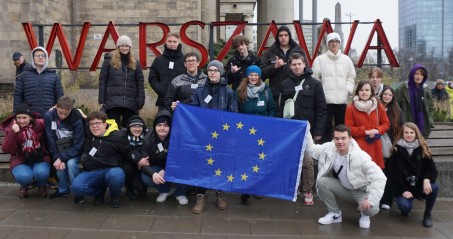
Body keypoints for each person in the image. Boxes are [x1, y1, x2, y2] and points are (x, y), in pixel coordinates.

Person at [305, 124, 386, 229]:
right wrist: (306, 130)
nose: (340, 142)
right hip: (344, 188)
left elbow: (380, 177)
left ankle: (364, 215)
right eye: (337, 138)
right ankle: (335, 213)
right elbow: (312, 150)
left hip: (361, 191)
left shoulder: (360, 156)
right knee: (322, 182)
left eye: (343, 138)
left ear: (350, 138)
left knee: (372, 208)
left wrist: (371, 199)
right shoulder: (330, 148)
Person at [190, 60, 238, 213]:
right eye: (210, 70)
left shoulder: (229, 92)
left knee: (220, 164)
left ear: (221, 73)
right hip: (204, 136)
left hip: (222, 137)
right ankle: (201, 196)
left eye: (215, 70)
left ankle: (220, 193)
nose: (212, 73)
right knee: (202, 165)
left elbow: (233, 115)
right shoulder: (199, 91)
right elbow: (192, 113)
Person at [281, 53, 327, 206]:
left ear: (304, 64)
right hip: (290, 131)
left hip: (307, 129)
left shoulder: (315, 84)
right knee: (291, 160)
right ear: (290, 66)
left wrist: (318, 132)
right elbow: (281, 108)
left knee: (307, 161)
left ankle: (308, 190)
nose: (296, 67)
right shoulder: (285, 84)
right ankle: (294, 188)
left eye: (299, 64)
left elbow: (321, 110)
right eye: (293, 64)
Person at [71, 111, 138, 208]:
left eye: (97, 123)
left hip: (112, 169)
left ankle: (115, 195)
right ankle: (98, 192)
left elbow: (129, 152)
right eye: (91, 124)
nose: (94, 126)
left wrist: (140, 160)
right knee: (76, 188)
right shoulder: (89, 136)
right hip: (94, 170)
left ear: (105, 124)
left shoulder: (118, 136)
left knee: (116, 175)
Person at [235, 65, 275, 204]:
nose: (253, 77)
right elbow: (236, 111)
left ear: (259, 77)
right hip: (245, 131)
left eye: (256, 75)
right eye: (251, 75)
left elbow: (272, 108)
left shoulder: (265, 91)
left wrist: (268, 123)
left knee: (259, 160)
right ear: (247, 76)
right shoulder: (240, 91)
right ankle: (244, 190)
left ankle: (256, 187)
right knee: (245, 160)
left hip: (261, 131)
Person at [390, 122, 438, 228]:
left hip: (419, 185)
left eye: (412, 132)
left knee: (434, 186)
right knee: (405, 206)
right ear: (402, 134)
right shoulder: (396, 150)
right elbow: (394, 174)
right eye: (406, 132)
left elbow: (432, 169)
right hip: (405, 187)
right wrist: (403, 190)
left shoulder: (423, 149)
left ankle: (427, 214)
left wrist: (426, 180)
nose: (409, 135)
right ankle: (405, 209)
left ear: (416, 134)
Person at [312, 32, 356, 143]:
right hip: (325, 101)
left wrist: (348, 90)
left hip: (342, 101)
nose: (334, 44)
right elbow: (315, 78)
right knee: (325, 130)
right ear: (327, 44)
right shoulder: (320, 60)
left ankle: (340, 152)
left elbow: (351, 77)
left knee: (341, 130)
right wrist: (320, 94)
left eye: (336, 41)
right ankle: (325, 154)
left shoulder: (346, 60)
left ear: (339, 43)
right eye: (331, 41)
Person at [1, 102, 50, 199]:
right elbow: (6, 149)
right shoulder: (13, 127)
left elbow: (55, 122)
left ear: (31, 117)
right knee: (24, 177)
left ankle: (41, 184)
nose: (21, 121)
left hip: (39, 156)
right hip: (20, 158)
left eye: (24, 118)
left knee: (41, 173)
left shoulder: (40, 124)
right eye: (19, 118)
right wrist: (13, 133)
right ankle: (24, 185)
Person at [139, 110, 189, 205]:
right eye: (159, 125)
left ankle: (180, 193)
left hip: (175, 167)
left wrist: (166, 170)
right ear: (155, 126)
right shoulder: (148, 138)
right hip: (156, 167)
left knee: (186, 169)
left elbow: (183, 159)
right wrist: (153, 174)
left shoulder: (178, 137)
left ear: (170, 127)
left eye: (166, 125)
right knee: (145, 176)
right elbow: (144, 162)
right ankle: (165, 190)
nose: (162, 128)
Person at [98, 35, 145, 129]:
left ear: (130, 47)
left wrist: (141, 99)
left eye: (127, 46)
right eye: (122, 46)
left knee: (129, 130)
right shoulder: (109, 61)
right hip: (112, 103)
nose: (124, 48)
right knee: (112, 131)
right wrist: (102, 100)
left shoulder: (135, 62)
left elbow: (140, 82)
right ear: (118, 47)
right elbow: (102, 81)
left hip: (130, 103)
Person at [260, 25, 306, 116]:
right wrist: (274, 66)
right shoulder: (270, 52)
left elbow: (307, 70)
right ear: (277, 37)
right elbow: (262, 74)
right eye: (280, 35)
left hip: (295, 93)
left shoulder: (299, 51)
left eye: (286, 35)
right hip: (276, 94)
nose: (283, 38)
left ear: (289, 36)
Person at [44, 96, 84, 200]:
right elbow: (50, 138)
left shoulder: (76, 118)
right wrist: (58, 157)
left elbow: (79, 146)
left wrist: (62, 158)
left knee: (71, 163)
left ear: (71, 109)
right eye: (60, 113)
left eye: (66, 114)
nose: (63, 116)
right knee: (59, 165)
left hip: (75, 150)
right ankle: (63, 190)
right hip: (59, 148)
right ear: (56, 107)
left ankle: (79, 192)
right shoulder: (49, 115)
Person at [345, 80, 390, 169]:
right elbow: (348, 128)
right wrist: (365, 132)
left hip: (375, 147)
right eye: (361, 90)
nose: (364, 92)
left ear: (371, 92)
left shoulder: (378, 106)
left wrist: (377, 130)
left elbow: (386, 124)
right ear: (358, 91)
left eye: (367, 90)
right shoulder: (351, 108)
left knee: (375, 175)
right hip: (358, 147)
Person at [13, 47, 64, 117]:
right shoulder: (23, 76)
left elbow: (60, 98)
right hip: (29, 118)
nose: (40, 57)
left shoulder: (54, 77)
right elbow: (18, 97)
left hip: (50, 117)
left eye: (43, 55)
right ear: (33, 57)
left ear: (46, 58)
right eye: (37, 55)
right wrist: (15, 116)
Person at [378, 86, 405, 209]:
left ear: (393, 96)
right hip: (377, 144)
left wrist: (396, 144)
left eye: (390, 94)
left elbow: (401, 129)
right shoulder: (376, 107)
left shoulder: (397, 111)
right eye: (385, 94)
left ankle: (387, 200)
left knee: (389, 173)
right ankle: (376, 197)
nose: (387, 96)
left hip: (391, 147)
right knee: (378, 173)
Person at [149, 32, 186, 111]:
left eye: (174, 42)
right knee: (163, 123)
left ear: (178, 42)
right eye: (170, 41)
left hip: (181, 102)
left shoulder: (185, 60)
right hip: (163, 101)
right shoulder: (159, 60)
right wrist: (161, 90)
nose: (172, 44)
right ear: (165, 42)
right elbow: (152, 78)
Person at [395, 64, 434, 138]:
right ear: (412, 74)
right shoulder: (403, 88)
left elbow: (430, 107)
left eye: (421, 74)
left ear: (424, 76)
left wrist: (429, 119)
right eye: (416, 74)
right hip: (406, 123)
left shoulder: (426, 89)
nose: (419, 77)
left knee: (420, 146)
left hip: (422, 124)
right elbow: (395, 105)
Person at [120, 115, 148, 199]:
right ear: (129, 128)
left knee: (142, 189)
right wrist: (137, 160)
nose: (137, 129)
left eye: (139, 126)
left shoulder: (148, 136)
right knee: (127, 169)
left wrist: (141, 159)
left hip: (143, 164)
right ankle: (129, 187)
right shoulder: (123, 137)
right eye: (134, 126)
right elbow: (125, 153)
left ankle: (139, 184)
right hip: (129, 163)